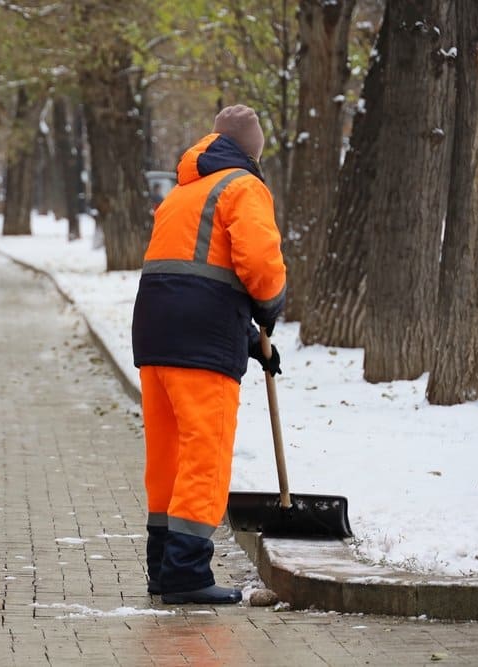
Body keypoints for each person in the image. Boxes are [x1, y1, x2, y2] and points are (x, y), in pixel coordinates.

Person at [131, 105, 286, 605]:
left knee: (168, 453)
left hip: (156, 332)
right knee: (205, 448)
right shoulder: (243, 187)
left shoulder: (183, 191)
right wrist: (269, 305)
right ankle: (186, 574)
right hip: (200, 340)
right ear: (251, 150)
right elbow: (258, 263)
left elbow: (196, 270)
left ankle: (163, 567)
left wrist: (246, 337)